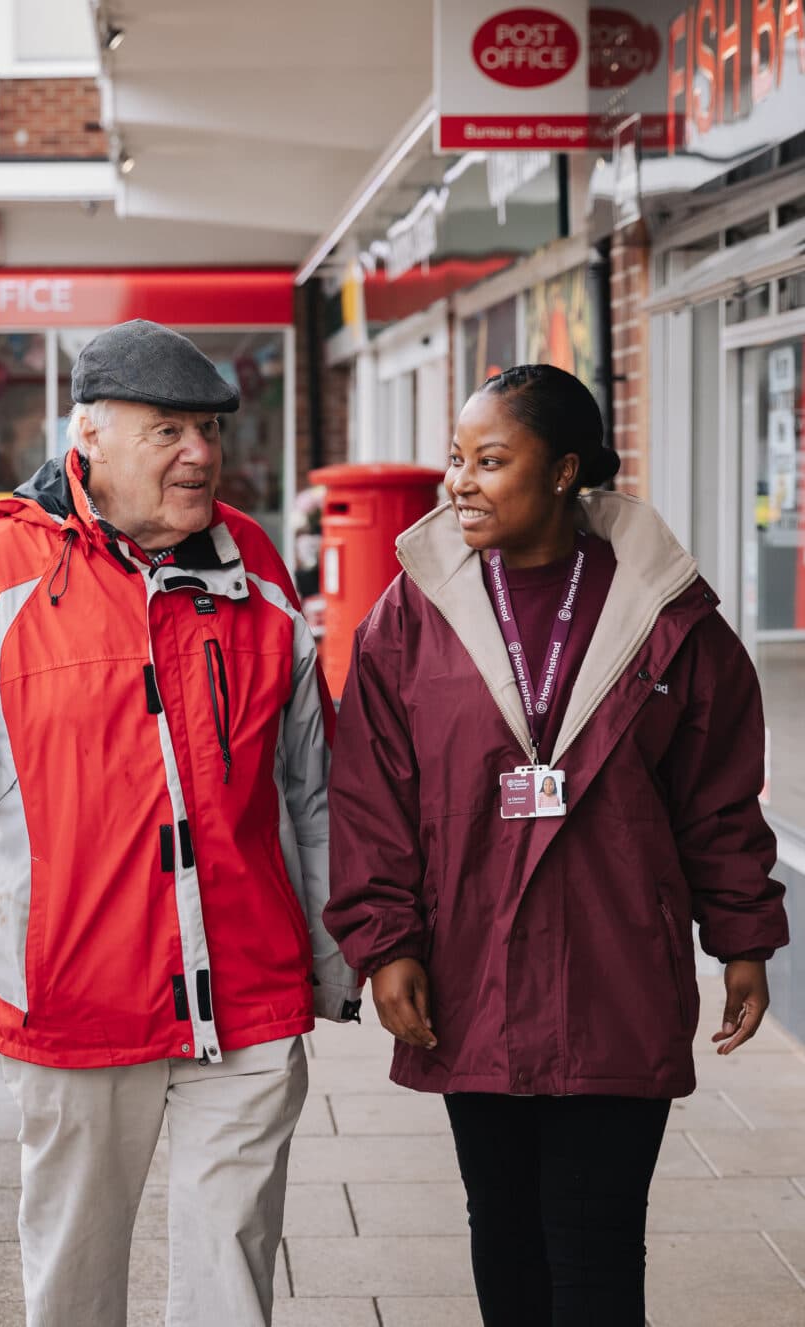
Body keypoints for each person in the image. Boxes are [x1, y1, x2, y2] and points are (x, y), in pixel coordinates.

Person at [0, 318, 360, 1327]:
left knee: (233, 1275)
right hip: (76, 995)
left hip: (249, 990)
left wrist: (345, 942)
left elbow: (314, 781)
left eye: (208, 428)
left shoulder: (252, 562)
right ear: (89, 436)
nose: (201, 453)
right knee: (76, 1279)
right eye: (168, 429)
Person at [322, 363, 788, 1326]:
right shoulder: (411, 615)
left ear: (566, 470)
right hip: (470, 968)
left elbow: (718, 796)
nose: (461, 482)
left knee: (597, 1240)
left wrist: (742, 937)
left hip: (617, 965)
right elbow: (371, 794)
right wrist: (387, 942)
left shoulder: (669, 617)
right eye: (457, 459)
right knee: (503, 1230)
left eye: (491, 460)